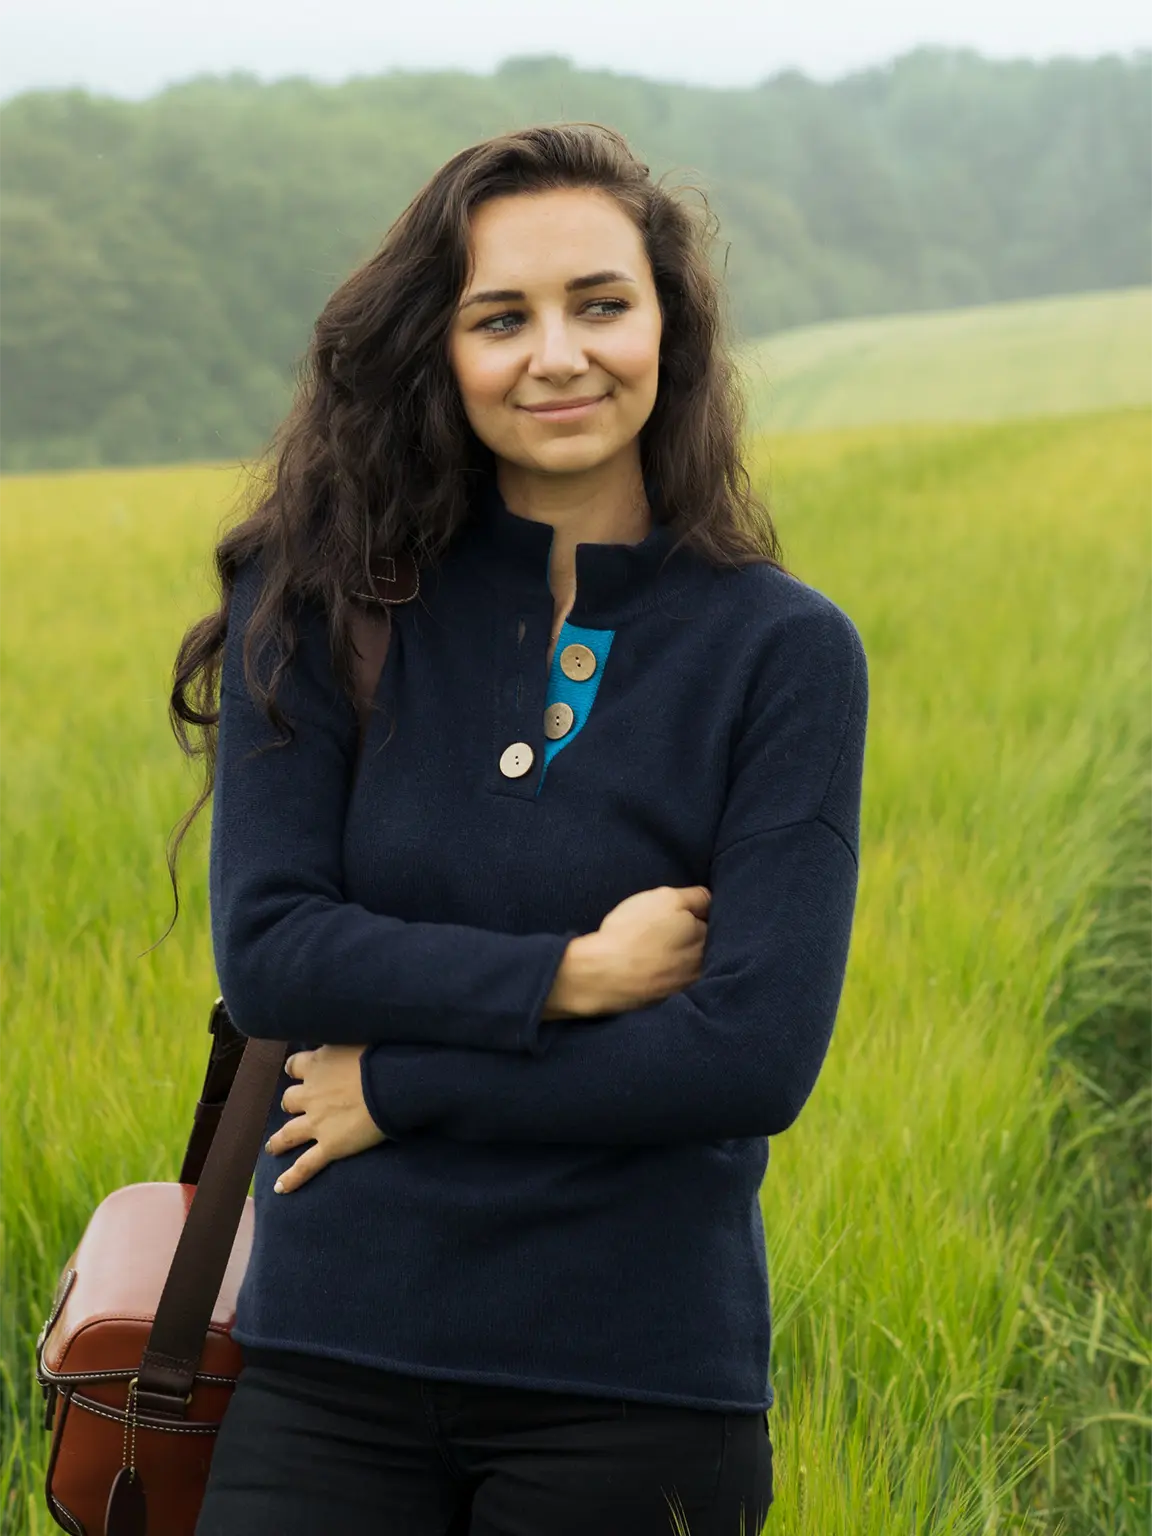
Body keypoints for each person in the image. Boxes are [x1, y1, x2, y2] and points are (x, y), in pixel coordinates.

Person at [168, 121, 867, 1536]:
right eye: (503, 318)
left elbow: (748, 1057)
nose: (559, 354)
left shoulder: (782, 650)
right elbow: (277, 955)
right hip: (327, 1369)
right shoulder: (317, 604)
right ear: (442, 349)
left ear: (668, 323)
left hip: (636, 1384)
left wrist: (405, 1087)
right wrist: (577, 977)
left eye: (601, 304)